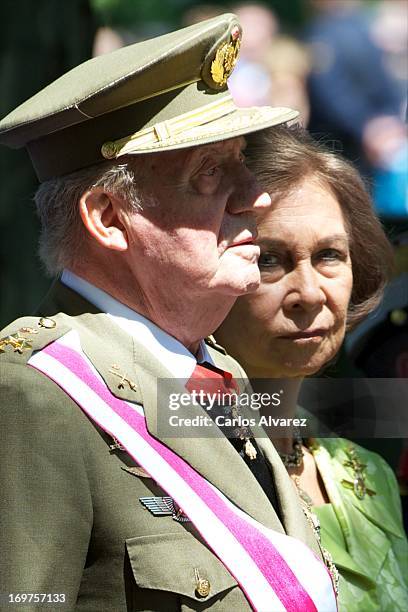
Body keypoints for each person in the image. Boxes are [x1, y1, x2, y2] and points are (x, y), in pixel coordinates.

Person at [0, 14, 337, 612]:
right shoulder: (34, 396)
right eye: (210, 172)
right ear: (107, 217)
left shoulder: (209, 365)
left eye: (241, 161)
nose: (255, 196)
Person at [216, 125, 408, 611]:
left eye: (328, 256)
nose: (310, 293)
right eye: (269, 260)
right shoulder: (173, 465)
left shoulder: (367, 472)